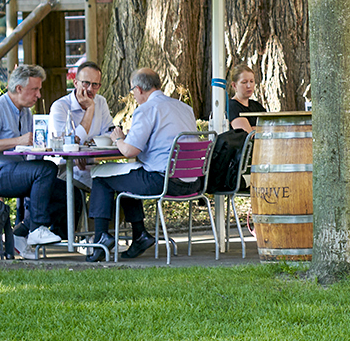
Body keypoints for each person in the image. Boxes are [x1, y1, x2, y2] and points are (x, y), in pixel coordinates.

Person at [88, 69, 199, 258]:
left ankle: (101, 239)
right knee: (129, 174)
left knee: (100, 176)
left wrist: (118, 139)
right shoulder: (184, 108)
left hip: (163, 180)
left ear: (138, 89)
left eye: (133, 91)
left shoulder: (147, 109)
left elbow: (130, 151)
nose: (134, 95)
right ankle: (139, 235)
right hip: (192, 182)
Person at [0, 63, 62, 255]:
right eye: (34, 89)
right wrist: (16, 140)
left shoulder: (25, 112)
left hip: (13, 171)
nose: (38, 95)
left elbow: (24, 148)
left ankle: (20, 232)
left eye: (39, 89)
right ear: (19, 89)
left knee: (67, 192)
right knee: (45, 170)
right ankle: (37, 230)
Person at [47, 59, 114, 145]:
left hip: (93, 157)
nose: (90, 89)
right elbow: (65, 143)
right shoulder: (60, 106)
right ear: (75, 83)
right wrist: (90, 109)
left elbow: (110, 133)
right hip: (64, 158)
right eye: (86, 83)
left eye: (95, 84)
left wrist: (90, 143)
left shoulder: (101, 101)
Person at [225, 63, 268, 134]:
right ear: (234, 85)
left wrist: (255, 129)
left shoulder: (257, 106)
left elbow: (272, 128)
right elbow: (248, 135)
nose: (249, 86)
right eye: (244, 82)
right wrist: (261, 129)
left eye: (251, 81)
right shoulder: (232, 106)